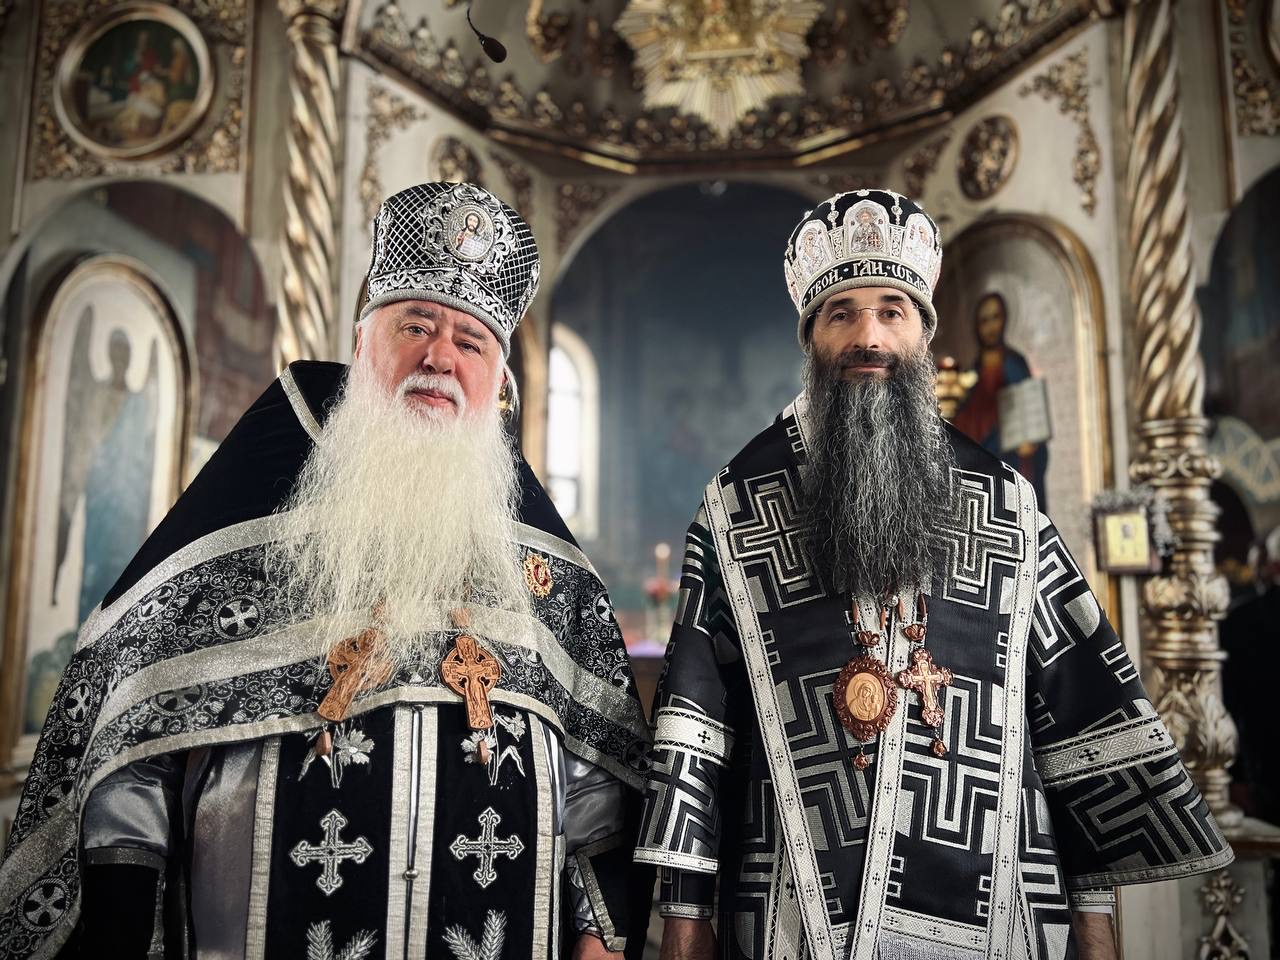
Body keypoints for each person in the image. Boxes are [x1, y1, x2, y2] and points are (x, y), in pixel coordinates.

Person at [0, 182, 652, 959]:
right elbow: (129, 741)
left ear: (499, 385)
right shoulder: (246, 520)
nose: (440, 357)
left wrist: (599, 933)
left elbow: (598, 775)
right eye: (416, 325)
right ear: (361, 343)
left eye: (471, 342)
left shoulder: (544, 573)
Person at [634, 188, 1232, 960]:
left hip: (998, 900)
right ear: (811, 338)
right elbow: (694, 719)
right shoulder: (739, 502)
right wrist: (685, 912)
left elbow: (1071, 709)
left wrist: (1092, 912)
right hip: (793, 909)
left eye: (892, 311)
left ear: (923, 334)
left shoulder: (1005, 502)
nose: (868, 337)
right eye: (841, 314)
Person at [952, 290, 1049, 507]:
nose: (991, 327)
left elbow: (1030, 416)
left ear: (1004, 320)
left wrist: (1030, 445)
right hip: (979, 456)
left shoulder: (1015, 364)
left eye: (995, 318)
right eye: (984, 321)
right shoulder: (972, 371)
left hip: (1011, 458)